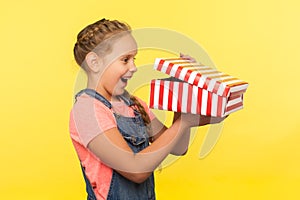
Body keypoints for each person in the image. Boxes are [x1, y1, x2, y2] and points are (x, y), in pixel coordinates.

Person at [70, 18, 225, 200]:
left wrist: (182, 94)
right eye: (125, 60)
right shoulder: (87, 111)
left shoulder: (133, 105)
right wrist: (185, 121)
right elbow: (135, 170)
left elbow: (179, 147)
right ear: (94, 63)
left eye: (134, 59)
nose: (134, 67)